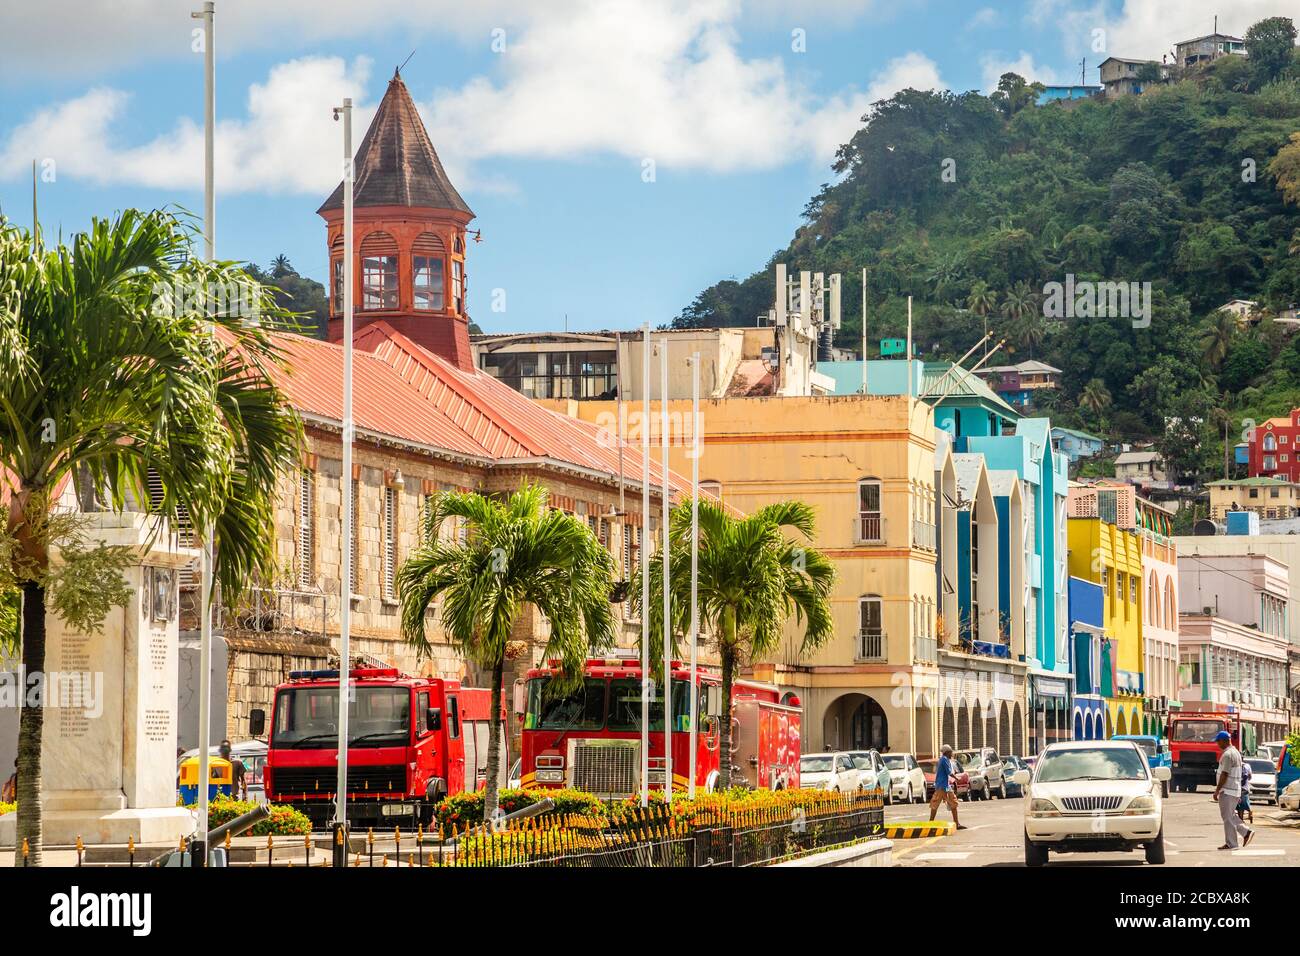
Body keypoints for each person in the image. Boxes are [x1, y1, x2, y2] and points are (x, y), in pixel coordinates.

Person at [1211, 730, 1253, 849]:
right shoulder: (1235, 752)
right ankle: (1246, 832)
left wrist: (1217, 790)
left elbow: (1224, 774)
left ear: (1224, 741)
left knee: (1227, 818)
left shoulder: (1228, 755)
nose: (1217, 744)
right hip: (1234, 789)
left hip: (1228, 789)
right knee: (1230, 815)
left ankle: (1232, 843)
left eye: (1218, 742)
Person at [928, 744, 964, 829]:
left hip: (943, 785)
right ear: (947, 752)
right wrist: (956, 778)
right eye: (951, 752)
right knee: (940, 803)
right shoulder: (944, 760)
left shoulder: (944, 760)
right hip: (943, 786)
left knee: (948, 803)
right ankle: (956, 823)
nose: (952, 753)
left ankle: (956, 823)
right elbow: (949, 772)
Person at [1237, 760, 1253, 824]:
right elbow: (1250, 777)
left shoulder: (1238, 766)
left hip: (1239, 788)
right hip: (1246, 788)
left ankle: (1241, 819)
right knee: (1246, 803)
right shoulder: (1248, 766)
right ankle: (1250, 813)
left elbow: (1244, 777)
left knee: (1240, 805)